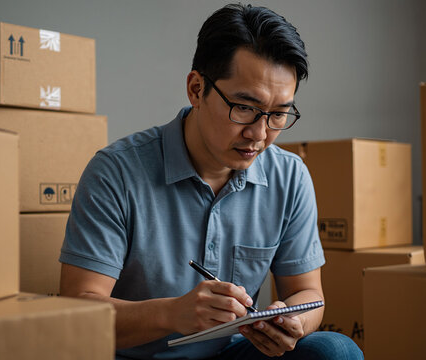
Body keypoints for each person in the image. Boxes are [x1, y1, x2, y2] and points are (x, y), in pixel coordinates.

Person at [59, 3, 364, 359]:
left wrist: (294, 321)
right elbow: (75, 312)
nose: (260, 134)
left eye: (279, 114)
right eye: (245, 107)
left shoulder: (289, 175)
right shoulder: (117, 172)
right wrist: (171, 313)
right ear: (196, 88)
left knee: (334, 350)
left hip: (229, 353)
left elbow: (309, 293)